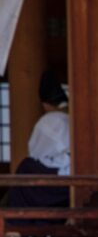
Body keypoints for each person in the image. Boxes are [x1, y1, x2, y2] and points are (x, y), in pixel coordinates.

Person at [6, 70, 71, 211]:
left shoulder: (48, 120)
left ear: (45, 104)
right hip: (70, 174)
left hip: (60, 178)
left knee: (25, 167)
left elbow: (37, 154)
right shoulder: (72, 119)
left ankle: (19, 225)